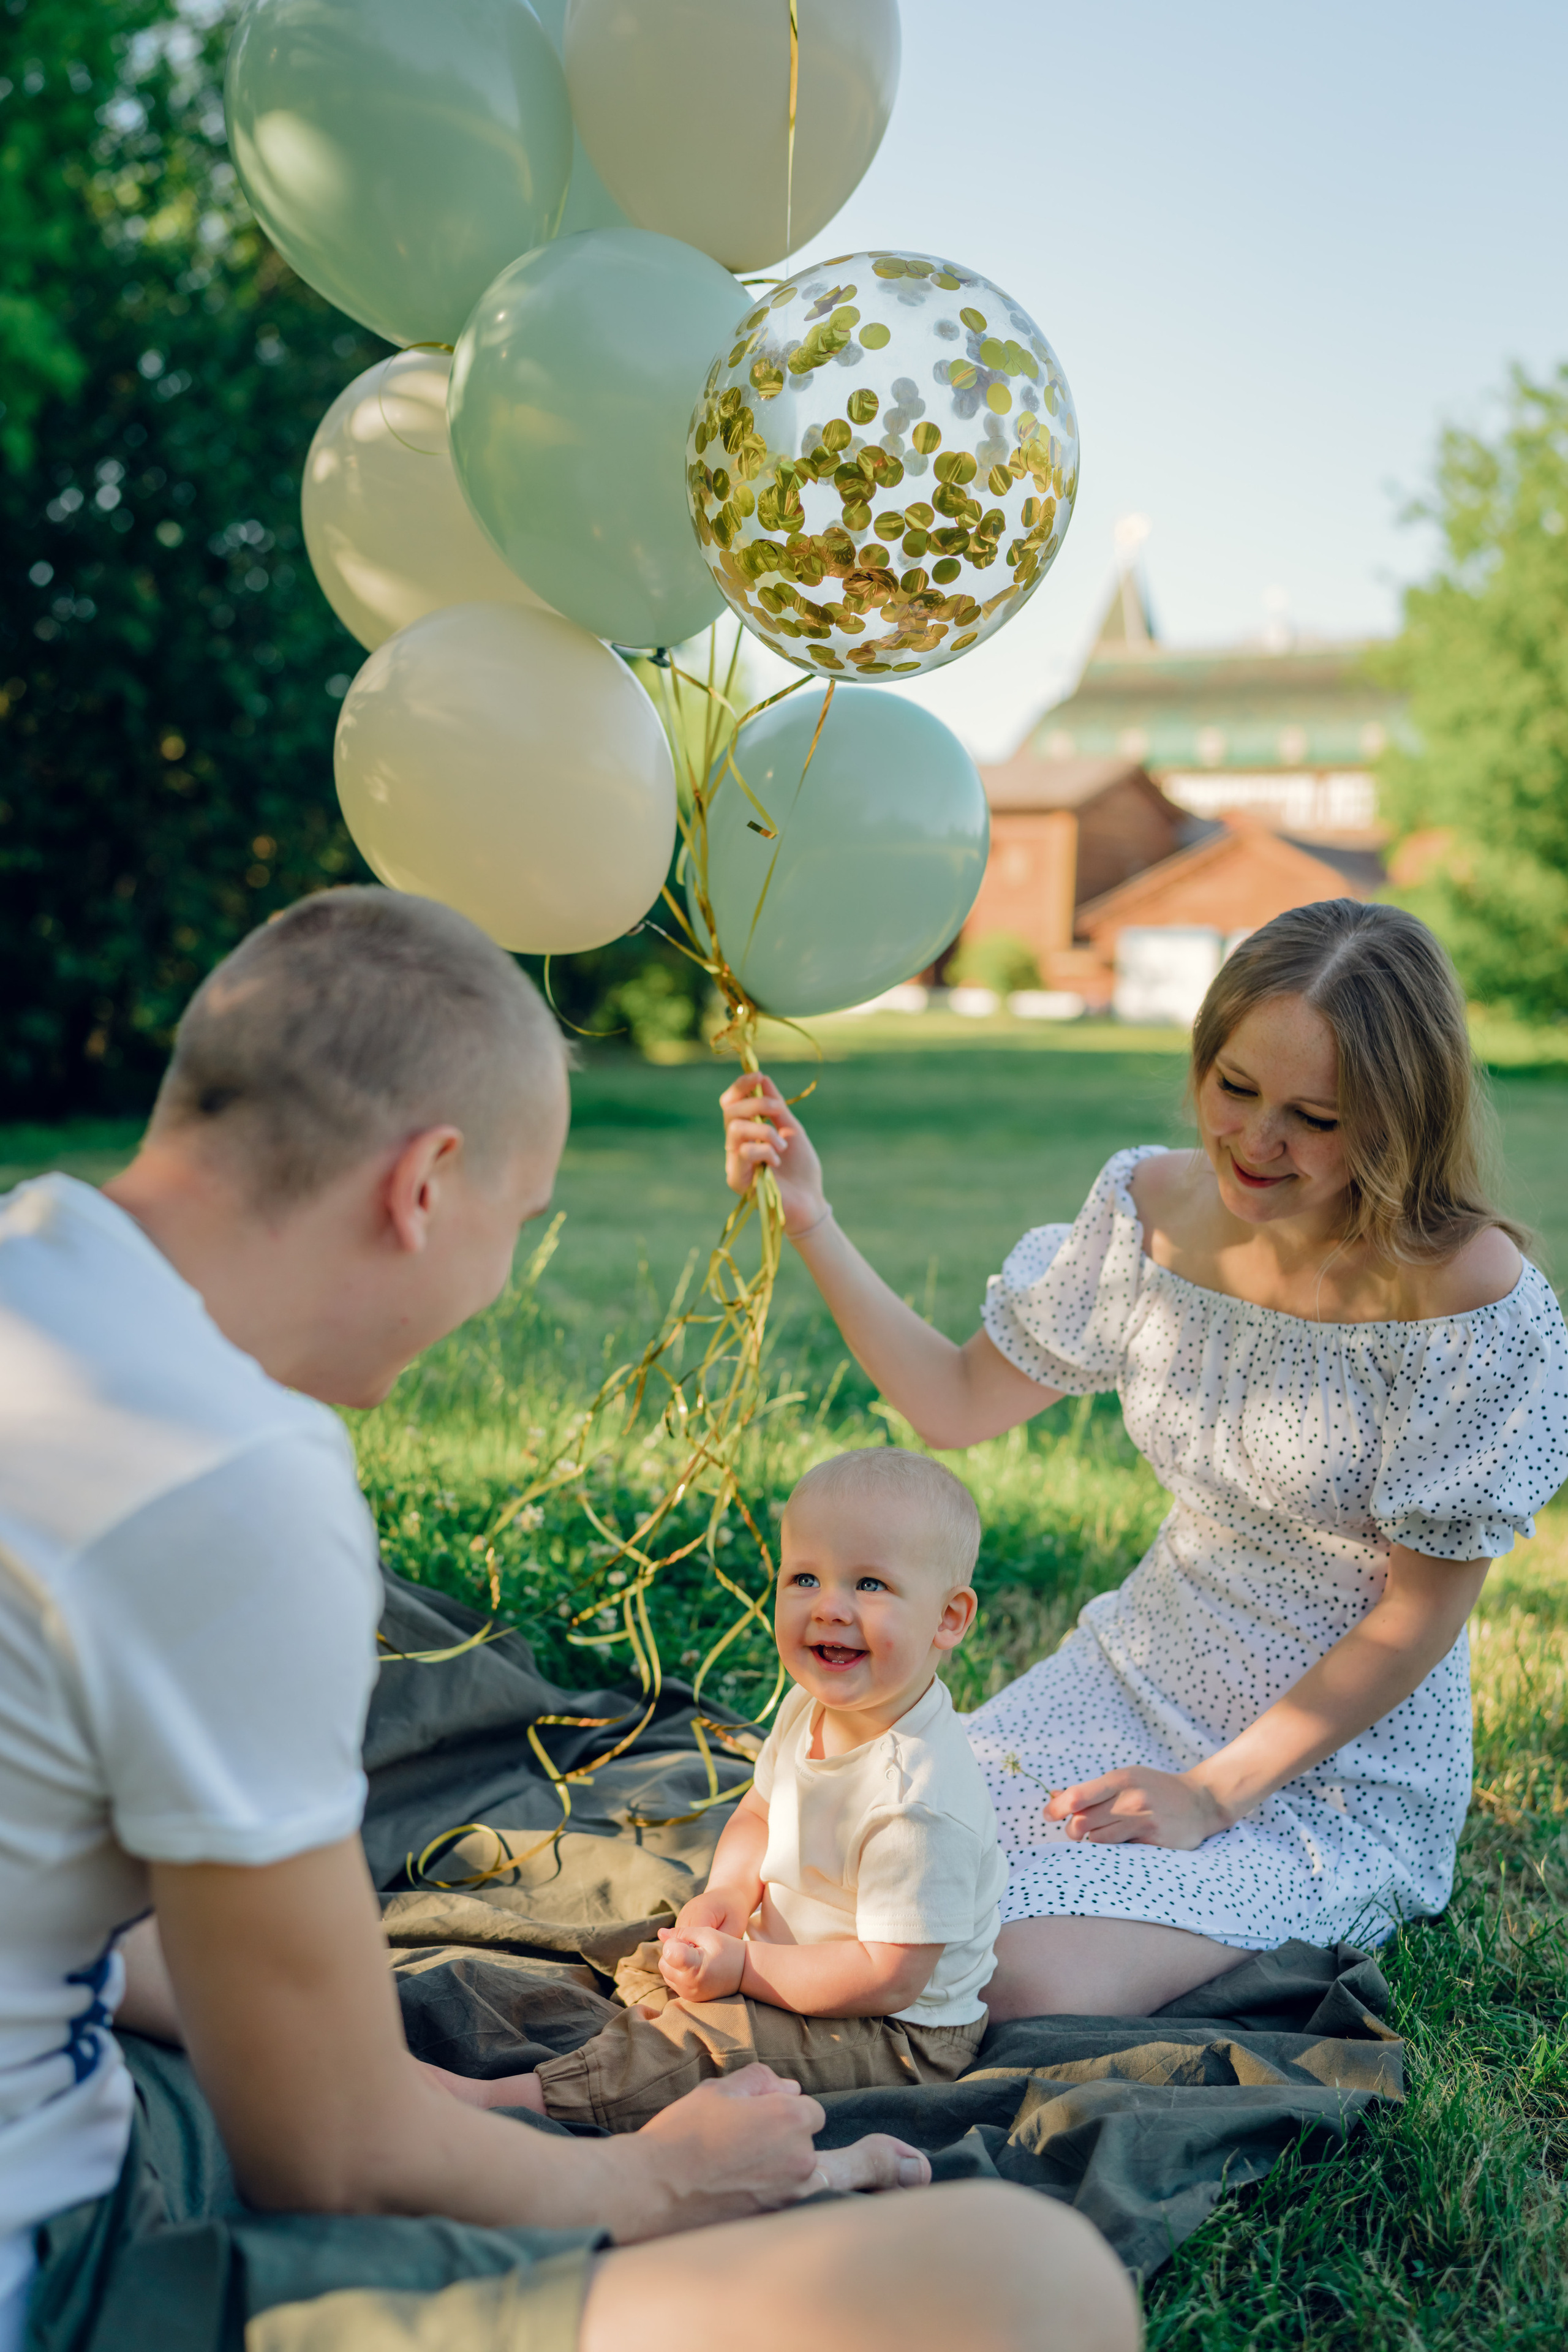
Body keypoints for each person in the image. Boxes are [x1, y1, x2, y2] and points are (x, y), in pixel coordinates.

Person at [0, 889, 1140, 2352]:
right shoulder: (231, 1477)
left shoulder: (39, 1279)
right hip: (69, 2259)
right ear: (426, 1185)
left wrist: (441, 2096)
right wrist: (651, 2178)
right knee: (1026, 2287)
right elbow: (327, 2160)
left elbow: (89, 1916)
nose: (488, 1290)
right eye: (517, 1226)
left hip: (88, 2080)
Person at [720, 898, 1568, 2022]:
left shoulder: (1468, 1300)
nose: (1257, 1142)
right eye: (1235, 1089)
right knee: (839, 1873)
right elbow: (956, 1400)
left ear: (1398, 1119)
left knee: (1003, 1976)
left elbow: (1416, 1620)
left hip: (1332, 1773)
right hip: (1130, 1677)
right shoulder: (1151, 1208)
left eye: (1314, 1117)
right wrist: (812, 1217)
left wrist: (1213, 1795)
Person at [476, 1447, 1005, 2130]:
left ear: (949, 1619)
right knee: (656, 1957)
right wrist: (728, 1895)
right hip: (791, 1963)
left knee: (691, 2054)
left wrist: (747, 1970)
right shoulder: (810, 1705)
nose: (830, 1609)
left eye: (870, 1585)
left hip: (892, 2031)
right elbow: (760, 1811)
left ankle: (499, 2105)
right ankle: (644, 2034)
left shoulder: (918, 1801)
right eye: (806, 1578)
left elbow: (888, 1973)